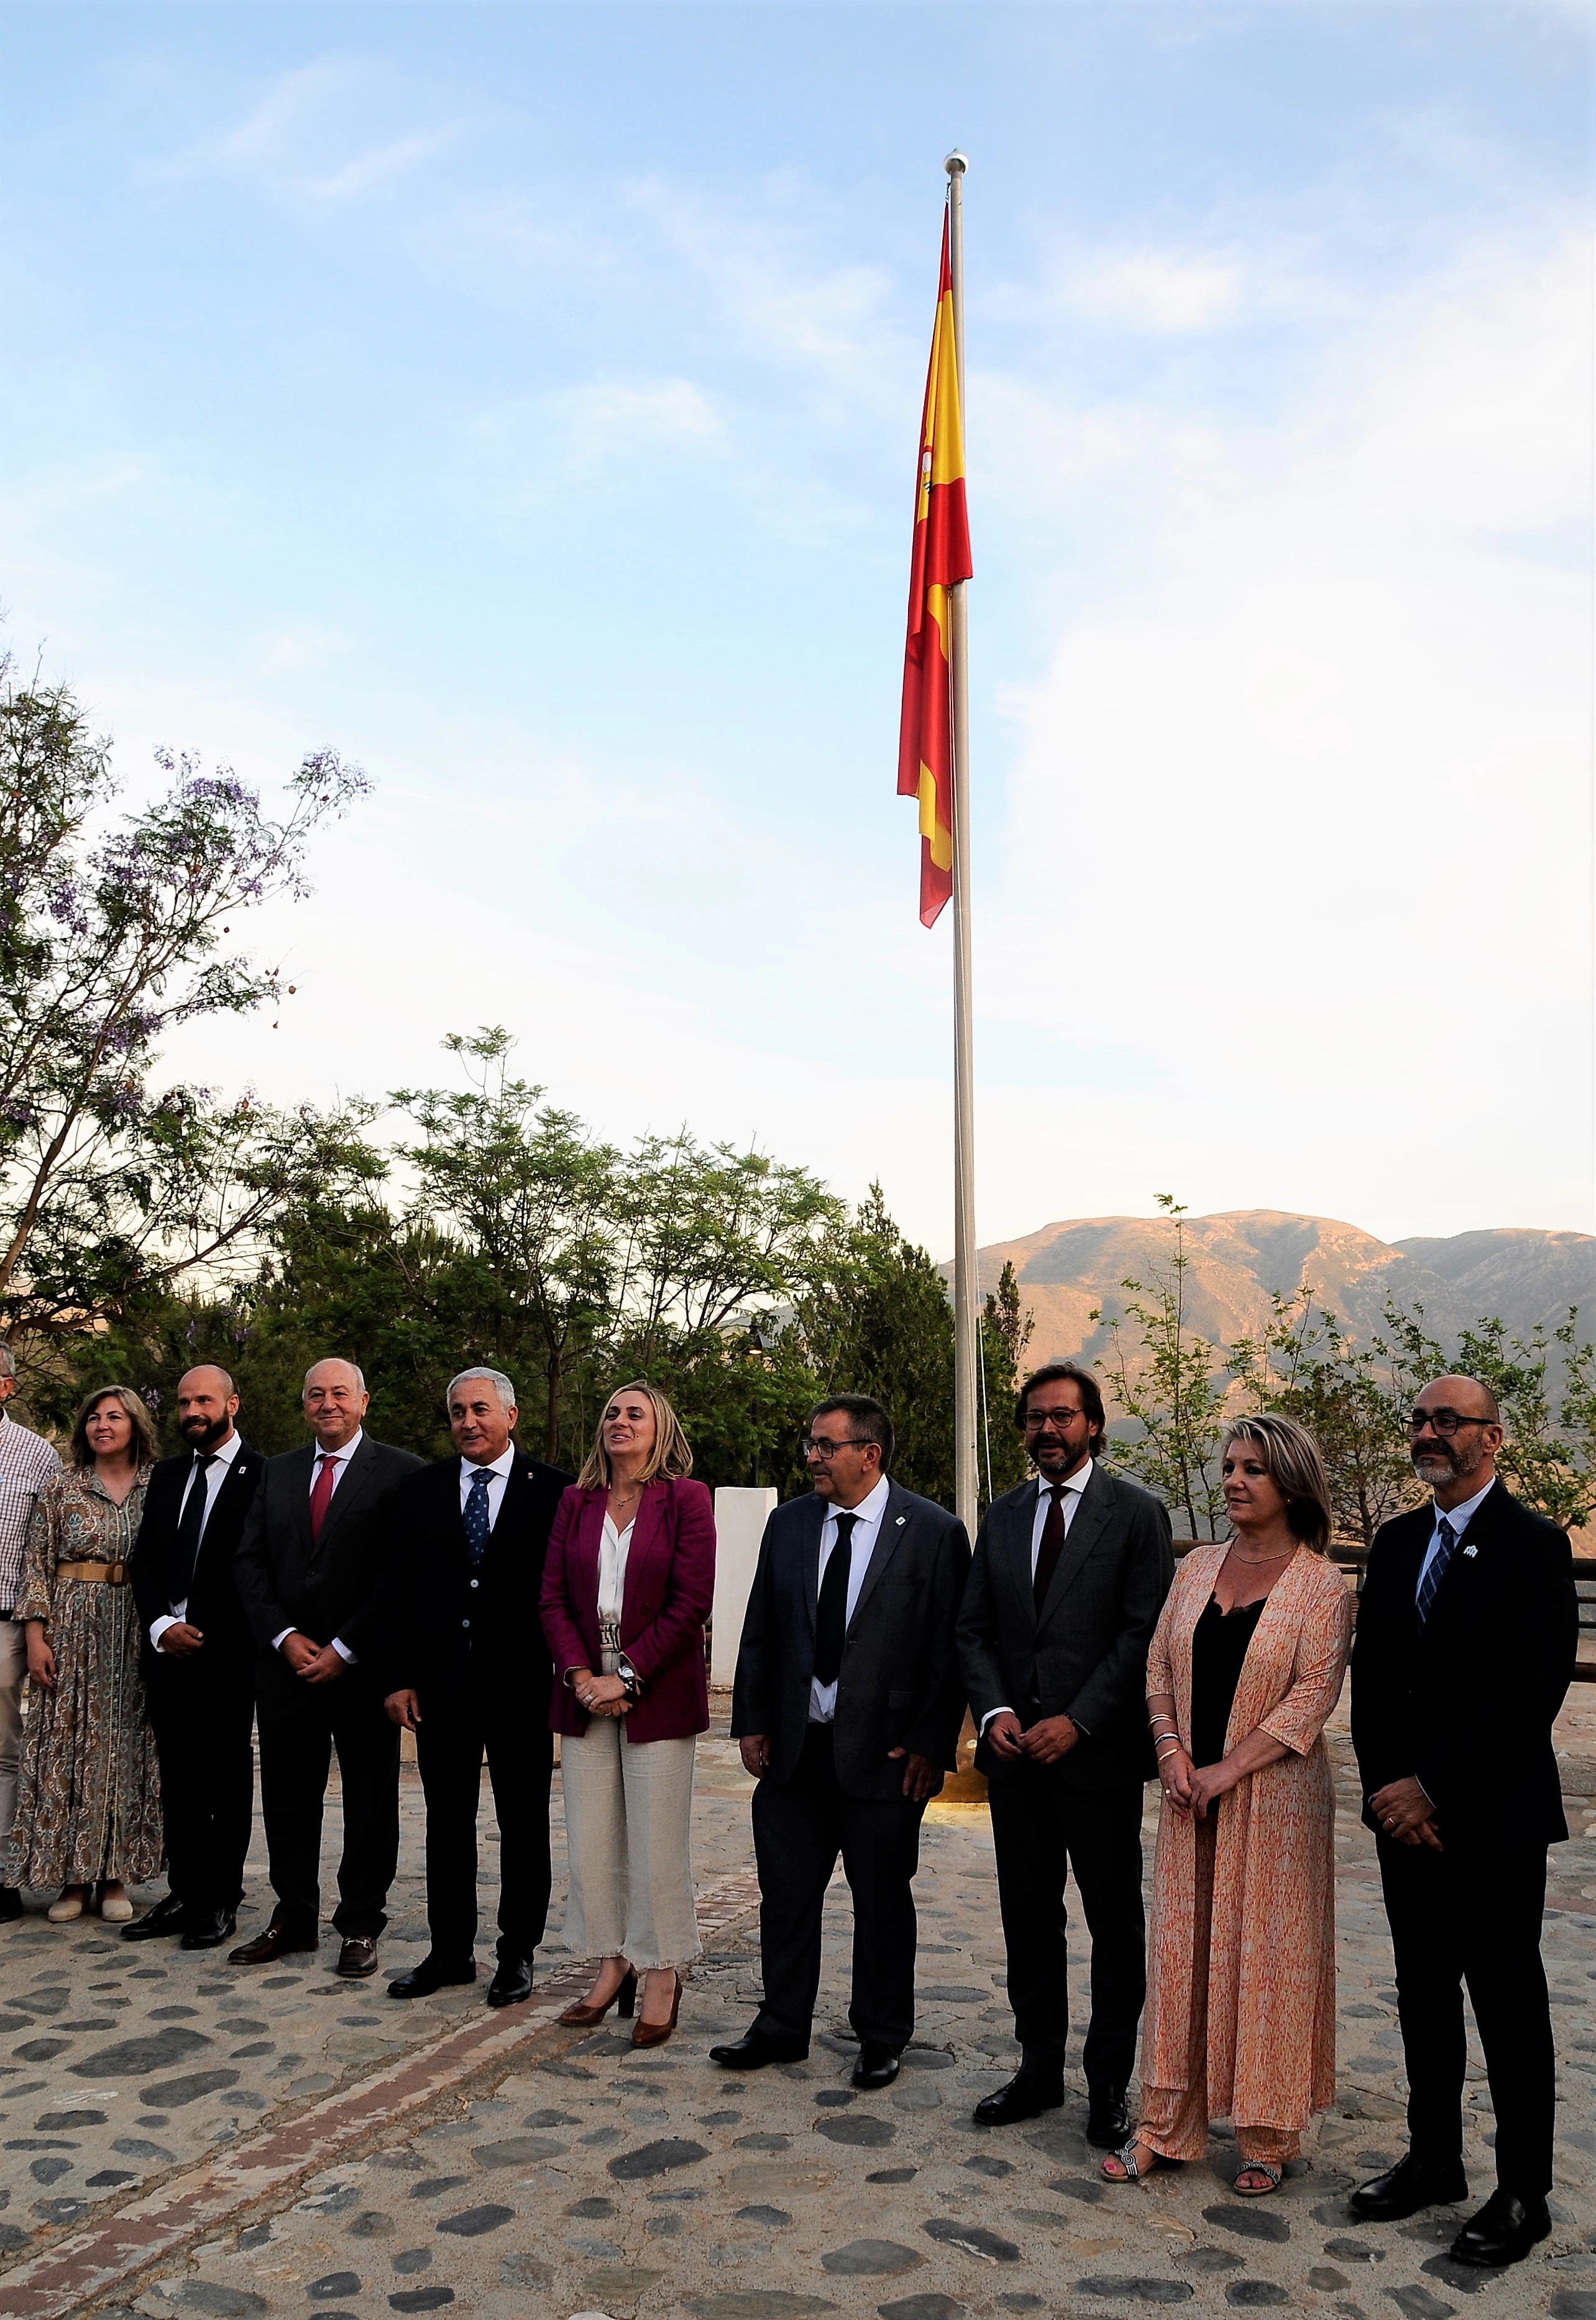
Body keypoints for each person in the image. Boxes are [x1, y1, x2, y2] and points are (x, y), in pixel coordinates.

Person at [1349, 1373, 1577, 2270]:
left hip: (1493, 1821)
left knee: (1509, 2005)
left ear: (1492, 1439)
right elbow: (1372, 1685)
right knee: (1423, 1996)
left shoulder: (1534, 1545)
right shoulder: (1399, 1541)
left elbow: (1532, 1691)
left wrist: (1431, 1786)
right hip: (1404, 1825)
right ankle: (1434, 2158)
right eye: (1421, 1418)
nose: (1430, 1431)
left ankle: (1525, 2192)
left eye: (1450, 1420)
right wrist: (1386, 1792)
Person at [1101, 1414, 1351, 2194]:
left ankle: (1267, 2134)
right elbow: (1158, 1665)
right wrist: (1174, 1754)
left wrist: (1224, 1771)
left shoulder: (1321, 1585)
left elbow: (1311, 1698)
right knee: (1180, 1956)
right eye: (1231, 1465)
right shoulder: (1197, 1565)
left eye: (1255, 1469)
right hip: (1187, 1798)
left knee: (1268, 1962)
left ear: (1291, 1484)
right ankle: (1166, 2127)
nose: (1236, 1480)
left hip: (1276, 1805)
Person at [715, 1395, 970, 2088]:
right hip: (796, 1750)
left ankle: (882, 2033)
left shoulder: (933, 1531)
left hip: (886, 1755)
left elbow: (949, 1651)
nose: (813, 1458)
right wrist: (753, 1721)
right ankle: (781, 2023)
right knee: (786, 1893)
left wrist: (930, 1743)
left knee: (883, 1899)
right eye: (811, 1444)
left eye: (827, 1446)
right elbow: (761, 1627)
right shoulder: (790, 1523)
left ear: (870, 1454)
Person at [956, 1362, 1173, 2137]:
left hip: (1098, 1760)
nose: (1047, 1429)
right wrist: (997, 1710)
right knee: (1028, 1921)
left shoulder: (1136, 1514)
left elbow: (1142, 1634)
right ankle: (1037, 2071)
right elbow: (973, 1628)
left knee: (1115, 1926)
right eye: (1035, 1417)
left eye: (1063, 1416)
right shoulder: (1004, 1514)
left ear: (1093, 1425)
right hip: (1015, 1759)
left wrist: (1078, 1720)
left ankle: (1109, 2084)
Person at [382, 1368, 573, 2007]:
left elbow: (567, 1591)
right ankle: (449, 1951)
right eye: (459, 1410)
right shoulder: (420, 1490)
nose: (469, 1421)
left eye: (481, 1409)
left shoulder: (555, 1491)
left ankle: (517, 1951)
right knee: (447, 1822)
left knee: (523, 1823)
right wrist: (399, 1677)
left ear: (511, 1416)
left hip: (521, 1685)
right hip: (440, 1686)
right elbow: (397, 1591)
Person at [232, 1359, 422, 1977]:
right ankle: (293, 1917)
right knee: (287, 1796)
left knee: (370, 1799)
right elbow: (250, 1562)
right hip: (286, 1666)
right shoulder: (277, 1472)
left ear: (363, 1401)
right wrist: (285, 1636)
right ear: (304, 1404)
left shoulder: (400, 1473)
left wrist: (345, 1646)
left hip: (361, 1671)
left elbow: (399, 1574)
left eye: (340, 1393)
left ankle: (361, 1923)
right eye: (316, 1394)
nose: (327, 1403)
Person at [539, 1382, 715, 2048]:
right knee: (591, 1842)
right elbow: (552, 1598)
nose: (619, 1421)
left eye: (634, 1413)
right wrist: (583, 1675)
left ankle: (663, 1970)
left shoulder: (687, 1500)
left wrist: (627, 1676)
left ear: (659, 1428)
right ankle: (611, 1962)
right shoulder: (574, 1501)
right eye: (611, 1411)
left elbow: (690, 1600)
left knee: (656, 1844)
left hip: (655, 1689)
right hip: (583, 1690)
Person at [10, 1387, 162, 1922]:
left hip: (136, 1626)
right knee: (69, 1746)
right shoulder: (61, 1487)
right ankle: (72, 1880)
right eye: (94, 1416)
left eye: (114, 1415)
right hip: (72, 1627)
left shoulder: (157, 1485)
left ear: (134, 1425)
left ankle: (115, 1874)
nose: (102, 1424)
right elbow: (36, 1565)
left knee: (124, 1746)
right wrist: (35, 1638)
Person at [127, 1365, 262, 1949]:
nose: (191, 1411)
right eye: (183, 1402)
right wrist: (161, 1625)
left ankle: (221, 1899)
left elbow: (259, 1566)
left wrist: (204, 1629)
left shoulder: (265, 1474)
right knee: (177, 1779)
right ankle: (183, 1891)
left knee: (226, 1779)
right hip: (166, 1651)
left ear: (232, 1403)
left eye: (203, 1400)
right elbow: (145, 1561)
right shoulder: (167, 1474)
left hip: (227, 1654)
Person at [0, 1346, 64, 1922]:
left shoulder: (36, 1455)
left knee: (2, 1752)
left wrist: (40, 1628)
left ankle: (2, 1874)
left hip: (4, 1622)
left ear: (6, 1386)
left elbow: (45, 1551)